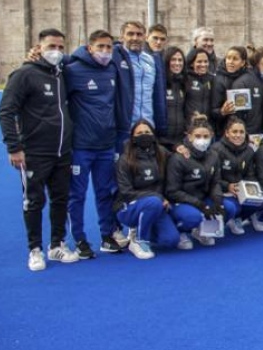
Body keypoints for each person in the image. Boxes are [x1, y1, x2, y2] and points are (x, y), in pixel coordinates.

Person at [0, 28, 79, 270]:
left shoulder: (61, 74)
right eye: (51, 47)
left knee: (60, 199)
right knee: (34, 201)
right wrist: (14, 148)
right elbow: (6, 112)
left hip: (62, 152)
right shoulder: (24, 74)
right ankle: (34, 249)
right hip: (34, 152)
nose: (56, 52)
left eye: (60, 48)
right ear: (39, 47)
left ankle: (57, 245)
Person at [64, 30, 129, 259]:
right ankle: (80, 240)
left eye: (108, 47)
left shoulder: (112, 69)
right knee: (77, 194)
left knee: (105, 192)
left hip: (106, 145)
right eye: (100, 47)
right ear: (89, 48)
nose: (105, 52)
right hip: (81, 146)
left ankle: (107, 236)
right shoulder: (72, 70)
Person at [114, 120, 181, 259]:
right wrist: (158, 197)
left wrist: (181, 149)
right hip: (128, 206)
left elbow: (178, 161)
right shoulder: (125, 159)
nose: (144, 135)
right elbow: (126, 192)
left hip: (156, 205)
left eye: (147, 132)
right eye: (139, 133)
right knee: (153, 202)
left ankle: (142, 228)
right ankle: (139, 240)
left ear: (153, 135)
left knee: (171, 240)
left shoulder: (161, 152)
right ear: (132, 137)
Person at [165, 114, 223, 250]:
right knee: (192, 217)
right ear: (189, 136)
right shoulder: (178, 158)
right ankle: (181, 232)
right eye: (197, 136)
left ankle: (201, 231)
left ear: (211, 136)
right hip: (181, 202)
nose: (202, 140)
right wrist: (200, 204)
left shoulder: (213, 155)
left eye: (205, 136)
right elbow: (172, 191)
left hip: (202, 198)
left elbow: (215, 182)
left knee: (228, 208)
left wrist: (218, 201)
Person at [113, 21, 167, 146]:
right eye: (130, 34)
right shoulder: (115, 56)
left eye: (139, 34)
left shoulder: (150, 59)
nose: (135, 38)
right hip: (125, 127)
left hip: (148, 126)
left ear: (145, 37)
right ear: (122, 36)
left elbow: (157, 93)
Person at [211, 116, 256, 235]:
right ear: (227, 133)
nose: (238, 135)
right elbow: (212, 178)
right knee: (232, 208)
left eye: (241, 132)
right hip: (221, 191)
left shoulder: (249, 151)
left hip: (240, 189)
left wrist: (246, 188)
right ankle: (214, 225)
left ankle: (237, 219)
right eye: (234, 131)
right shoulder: (216, 150)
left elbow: (251, 175)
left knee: (259, 202)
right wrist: (228, 186)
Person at [212, 46, 263, 135]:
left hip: (245, 130)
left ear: (243, 63)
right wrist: (222, 112)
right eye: (228, 58)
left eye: (235, 59)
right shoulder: (219, 80)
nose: (230, 62)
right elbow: (212, 111)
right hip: (224, 130)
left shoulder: (246, 78)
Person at [161, 46, 187, 149]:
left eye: (180, 60)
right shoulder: (161, 83)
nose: (177, 63)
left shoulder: (183, 83)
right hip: (162, 140)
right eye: (173, 60)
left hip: (179, 139)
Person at [184, 47, 214, 122]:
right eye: (199, 62)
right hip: (190, 124)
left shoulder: (212, 79)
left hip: (207, 125)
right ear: (191, 63)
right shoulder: (185, 79)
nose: (203, 64)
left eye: (206, 61)